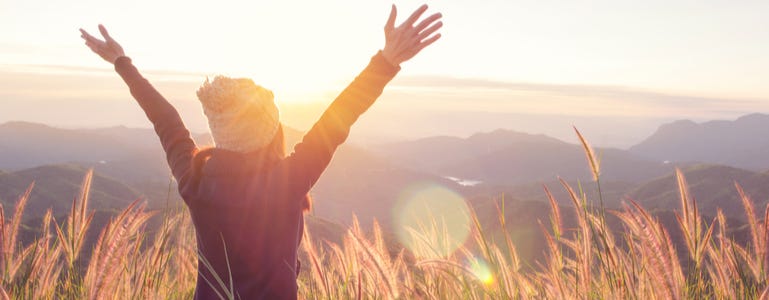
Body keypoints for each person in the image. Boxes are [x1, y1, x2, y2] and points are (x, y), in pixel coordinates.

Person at [80, 4, 442, 299]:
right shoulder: (287, 182)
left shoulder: (194, 179)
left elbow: (166, 121)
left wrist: (122, 63)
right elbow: (339, 118)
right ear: (272, 132)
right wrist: (387, 61)